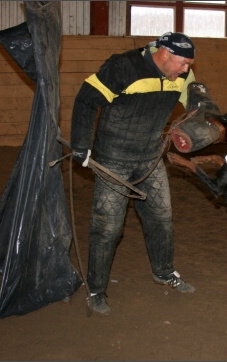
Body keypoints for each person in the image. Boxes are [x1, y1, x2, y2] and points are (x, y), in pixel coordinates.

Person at [70, 32, 196, 315]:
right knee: (108, 228)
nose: (186, 70)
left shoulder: (182, 76)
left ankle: (163, 272)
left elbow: (198, 102)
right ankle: (96, 290)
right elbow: (87, 100)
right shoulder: (123, 67)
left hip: (150, 158)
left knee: (162, 218)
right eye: (183, 63)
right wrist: (81, 145)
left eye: (189, 64)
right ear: (164, 54)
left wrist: (205, 114)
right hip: (114, 159)